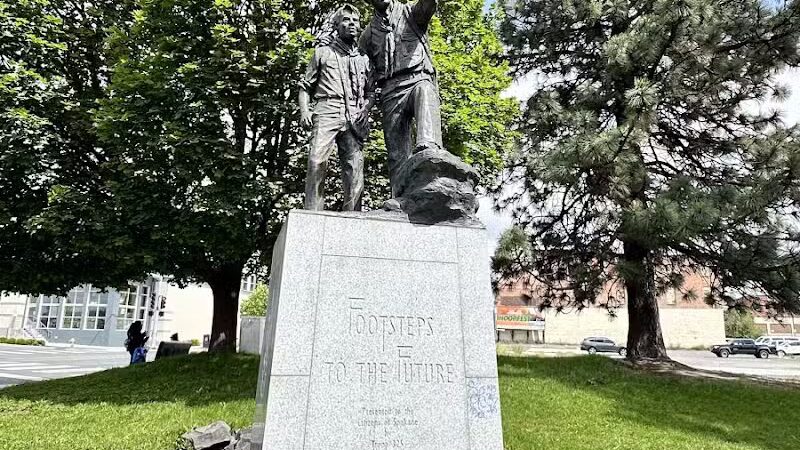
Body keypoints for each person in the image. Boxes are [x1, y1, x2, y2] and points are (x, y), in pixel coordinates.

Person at [359, 0, 442, 199]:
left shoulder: (410, 12)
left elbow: (427, 6)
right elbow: (361, 67)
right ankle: (399, 197)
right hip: (389, 90)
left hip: (417, 77)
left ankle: (429, 150)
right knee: (396, 154)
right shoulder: (368, 34)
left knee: (424, 92)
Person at [300, 4, 374, 212]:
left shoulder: (364, 59)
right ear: (337, 25)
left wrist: (365, 110)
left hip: (353, 113)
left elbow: (370, 93)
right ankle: (313, 212)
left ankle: (353, 215)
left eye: (355, 21)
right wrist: (305, 110)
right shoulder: (322, 53)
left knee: (355, 168)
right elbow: (305, 87)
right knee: (316, 160)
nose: (352, 24)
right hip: (327, 109)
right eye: (346, 20)